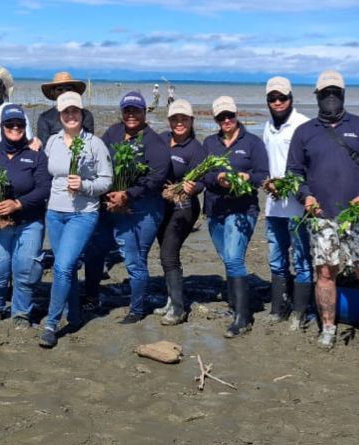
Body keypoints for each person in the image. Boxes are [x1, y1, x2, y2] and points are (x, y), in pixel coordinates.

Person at [286, 70, 359, 350]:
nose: (331, 97)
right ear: (317, 96)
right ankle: (328, 326)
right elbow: (294, 173)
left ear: (343, 95)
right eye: (325, 93)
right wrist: (305, 197)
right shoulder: (304, 132)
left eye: (335, 93)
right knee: (325, 273)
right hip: (321, 216)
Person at [84, 91, 171, 324]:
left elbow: (156, 177)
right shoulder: (113, 132)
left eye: (136, 110)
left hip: (142, 208)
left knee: (134, 258)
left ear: (145, 112)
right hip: (109, 203)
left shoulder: (154, 142)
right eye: (127, 110)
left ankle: (136, 308)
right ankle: (90, 297)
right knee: (94, 250)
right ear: (122, 112)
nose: (131, 114)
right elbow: (98, 158)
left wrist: (129, 195)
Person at [40, 92, 113, 348]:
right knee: (67, 268)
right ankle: (75, 313)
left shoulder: (95, 144)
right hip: (55, 213)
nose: (71, 116)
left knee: (61, 266)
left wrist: (84, 185)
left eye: (75, 112)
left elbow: (106, 181)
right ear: (59, 116)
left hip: (83, 214)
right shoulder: (52, 142)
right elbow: (44, 174)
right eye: (65, 112)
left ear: (82, 115)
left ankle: (51, 323)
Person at [0, 105, 51, 327]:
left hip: (29, 222)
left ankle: (21, 313)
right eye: (10, 124)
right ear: (2, 127)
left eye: (19, 124)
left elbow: (44, 188)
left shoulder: (36, 155)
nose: (15, 128)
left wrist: (18, 204)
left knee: (25, 267)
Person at [202, 96, 269, 338]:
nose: (226, 120)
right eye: (221, 117)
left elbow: (263, 174)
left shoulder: (252, 143)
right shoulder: (209, 143)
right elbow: (203, 176)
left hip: (243, 209)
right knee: (227, 257)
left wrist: (247, 178)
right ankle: (234, 304)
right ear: (216, 119)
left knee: (233, 258)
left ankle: (243, 317)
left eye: (229, 115)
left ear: (236, 114)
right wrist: (217, 178)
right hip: (215, 210)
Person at [260, 76, 313, 329]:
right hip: (273, 206)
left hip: (298, 207)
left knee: (302, 258)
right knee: (276, 257)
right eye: (273, 98)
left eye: (282, 98)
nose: (278, 102)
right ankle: (278, 307)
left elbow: (312, 165)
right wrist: (267, 182)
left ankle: (300, 312)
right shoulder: (267, 127)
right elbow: (265, 164)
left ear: (291, 98)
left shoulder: (304, 125)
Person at [153, 99, 206, 325]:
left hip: (184, 208)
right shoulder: (162, 139)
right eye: (175, 118)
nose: (179, 123)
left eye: (184, 119)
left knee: (169, 254)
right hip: (160, 206)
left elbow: (203, 182)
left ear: (191, 121)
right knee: (165, 253)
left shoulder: (196, 149)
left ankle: (178, 308)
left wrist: (193, 188)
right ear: (169, 121)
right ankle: (170, 299)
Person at [36, 71, 95, 146]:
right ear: (53, 92)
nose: (64, 92)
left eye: (68, 89)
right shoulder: (45, 118)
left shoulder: (86, 115)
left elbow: (89, 142)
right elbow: (44, 146)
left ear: (74, 91)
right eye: (59, 89)